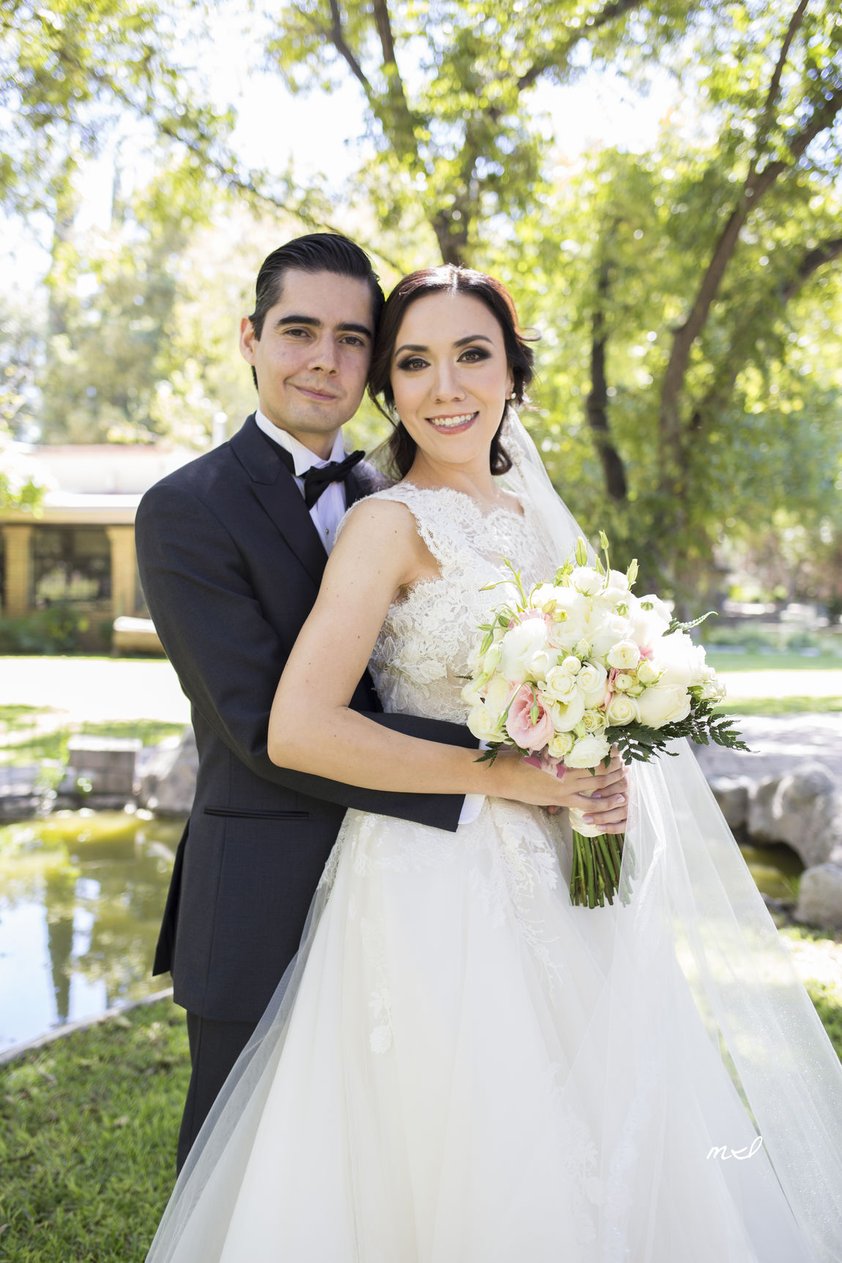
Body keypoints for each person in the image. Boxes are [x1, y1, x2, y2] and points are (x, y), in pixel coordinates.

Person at [147, 266, 842, 1262]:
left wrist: (598, 776)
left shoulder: (536, 522)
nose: (446, 387)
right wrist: (502, 774)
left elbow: (583, 707)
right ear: (389, 388)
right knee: (461, 1149)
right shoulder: (386, 524)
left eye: (472, 355)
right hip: (432, 887)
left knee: (595, 1136)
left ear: (513, 372)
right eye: (415, 362)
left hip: (561, 886)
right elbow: (295, 728)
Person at [135, 234, 627, 1171]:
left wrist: (581, 764)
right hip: (269, 884)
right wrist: (516, 775)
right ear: (250, 337)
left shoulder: (409, 491)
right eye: (298, 331)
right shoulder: (183, 508)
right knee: (251, 1172)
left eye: (352, 337)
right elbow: (261, 733)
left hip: (464, 872)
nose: (325, 357)